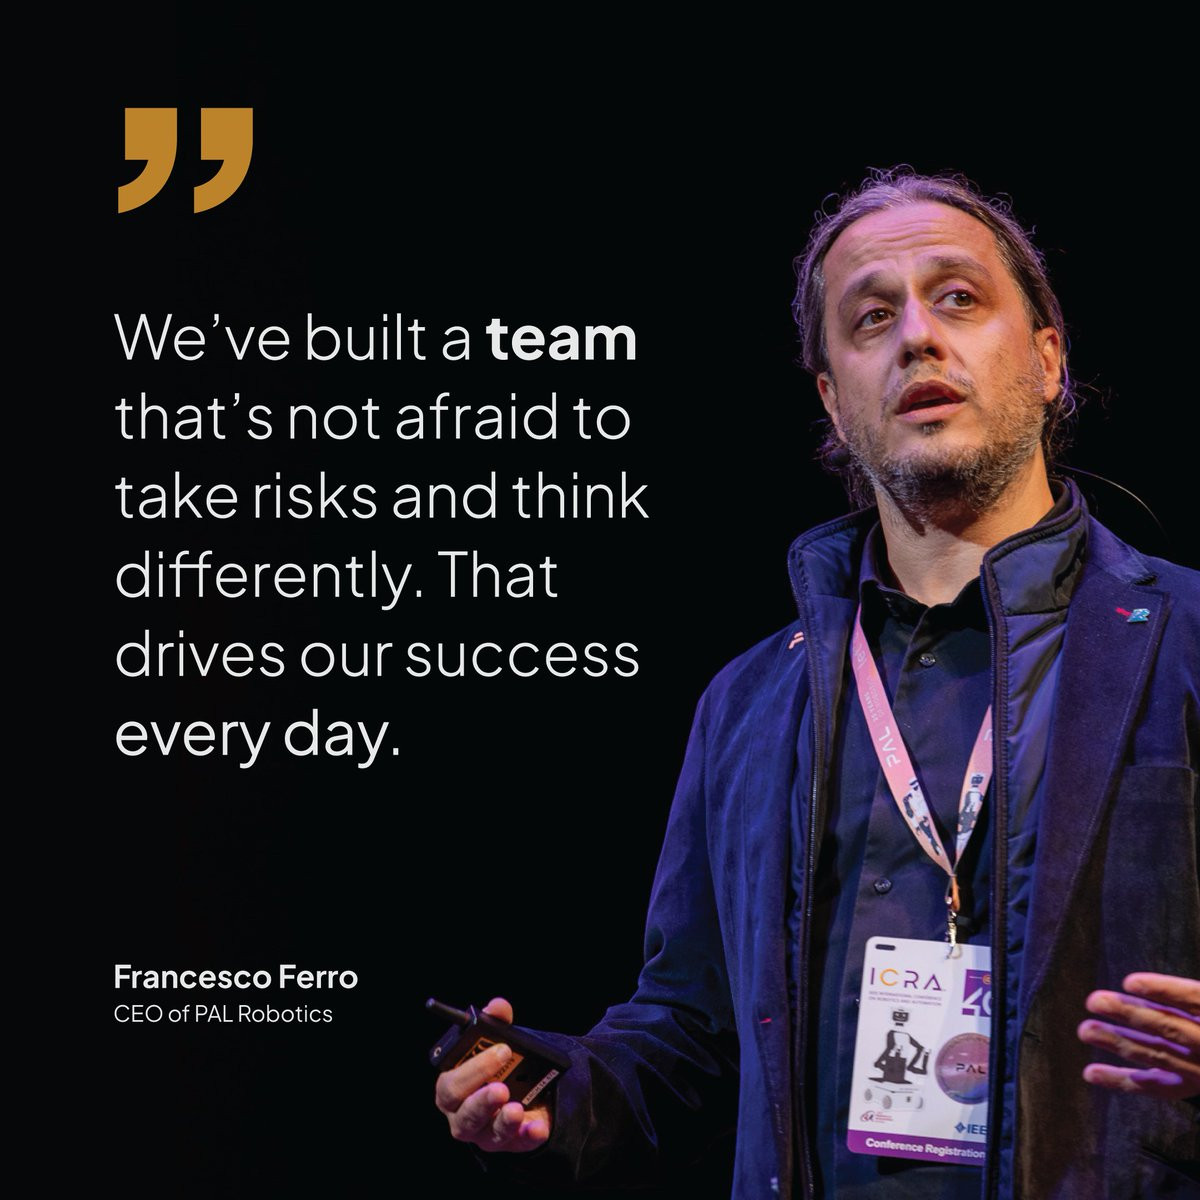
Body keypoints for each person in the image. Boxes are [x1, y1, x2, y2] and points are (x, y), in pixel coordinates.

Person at [433, 169, 1200, 1198]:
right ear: (835, 402)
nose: (917, 336)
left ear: (1048, 358)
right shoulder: (749, 704)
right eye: (871, 317)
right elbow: (690, 1034)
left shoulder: (1185, 640)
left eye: (959, 298)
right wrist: (563, 1091)